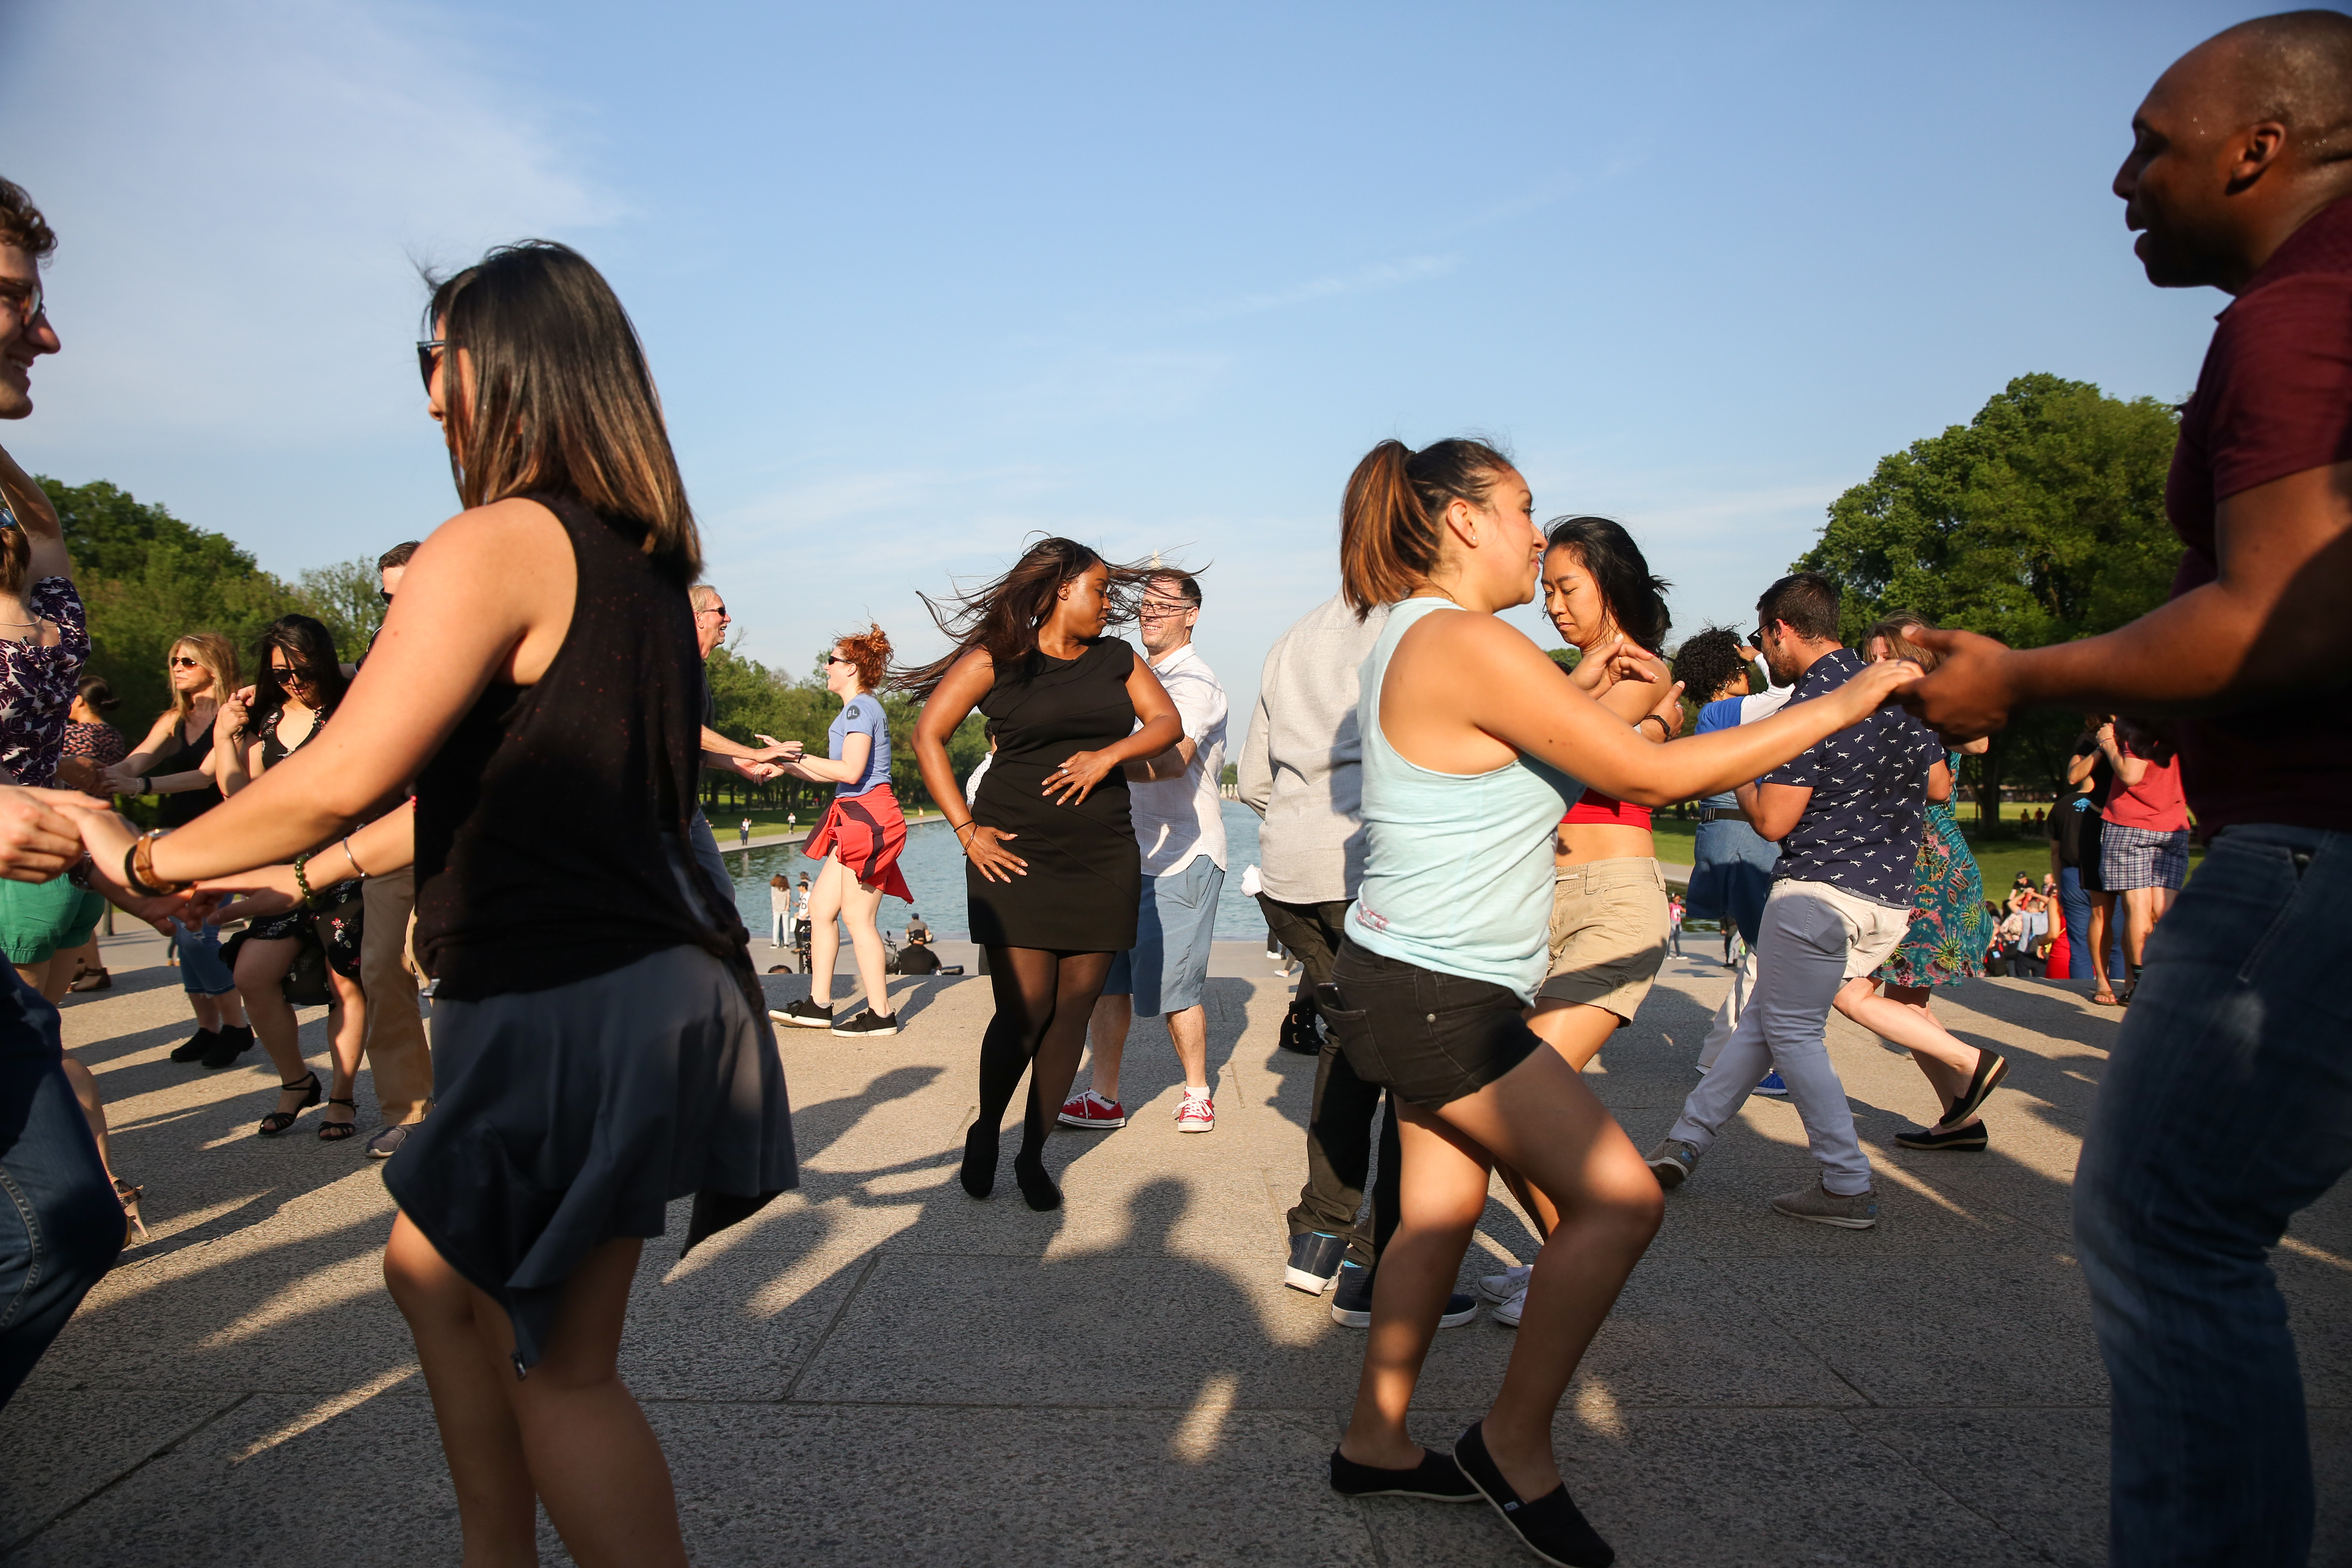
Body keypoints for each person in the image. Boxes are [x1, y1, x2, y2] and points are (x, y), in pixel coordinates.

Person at [82, 240, 795, 1563]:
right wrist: (297, 877)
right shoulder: (636, 569)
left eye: (438, 360)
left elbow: (341, 772)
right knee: (433, 1278)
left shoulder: (501, 542)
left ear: (513, 367)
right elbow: (468, 802)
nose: (426, 398)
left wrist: (136, 859)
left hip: (567, 994)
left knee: (562, 1366)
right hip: (643, 985)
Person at [1899, 18, 2352, 1559]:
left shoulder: (2297, 318)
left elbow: (2280, 618)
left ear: (2259, 147)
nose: (2121, 179)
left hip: (2315, 840)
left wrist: (2022, 676)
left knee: (2166, 1217)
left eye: (2153, 143)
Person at [1314, 439, 1913, 1564]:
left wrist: (1596, 692)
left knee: (1437, 1217)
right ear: (1463, 522)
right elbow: (1650, 777)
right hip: (1440, 995)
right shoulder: (1464, 638)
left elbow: (1505, 765)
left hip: (1406, 979)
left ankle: (1374, 1441)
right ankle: (1511, 1445)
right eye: (1522, 510)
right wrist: (1843, 703)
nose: (1537, 535)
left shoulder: (1413, 632)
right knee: (1622, 1202)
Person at [1647, 573, 1956, 1230]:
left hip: (1819, 890)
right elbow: (1938, 786)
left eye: (1764, 638)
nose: (1764, 652)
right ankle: (1685, 1142)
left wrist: (1749, 768)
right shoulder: (1896, 688)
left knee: (1789, 1029)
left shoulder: (1811, 706)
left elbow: (1773, 821)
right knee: (1766, 1018)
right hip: (1888, 896)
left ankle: (1846, 1181)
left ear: (1781, 629)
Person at [904, 537, 1182, 1212]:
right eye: (1099, 591)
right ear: (1062, 590)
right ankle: (986, 1130)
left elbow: (1166, 723)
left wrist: (1107, 756)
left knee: (1072, 1012)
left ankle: (1032, 1153)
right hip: (1013, 856)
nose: (1109, 605)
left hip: (1101, 858)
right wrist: (966, 831)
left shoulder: (1118, 660)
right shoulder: (997, 659)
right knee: (1025, 1010)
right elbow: (927, 736)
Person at [0, 172, 130, 1405]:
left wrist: (144, 854)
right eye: (12, 298)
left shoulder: (24, 501)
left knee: (70, 1223)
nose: (46, 333)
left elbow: (44, 764)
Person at [1235, 590, 1410, 1313]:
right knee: (1412, 1060)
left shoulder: (1294, 637)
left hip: (1292, 870)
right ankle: (1385, 1254)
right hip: (1368, 863)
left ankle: (1320, 1231)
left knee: (1351, 1039)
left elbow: (1253, 780)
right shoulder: (1411, 626)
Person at [1825, 618, 2007, 1152]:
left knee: (1848, 989)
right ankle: (1960, 1119)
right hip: (1910, 865)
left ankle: (1973, 1062)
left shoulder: (1917, 713)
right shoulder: (1885, 714)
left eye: (1889, 657)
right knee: (1908, 1007)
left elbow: (1965, 755)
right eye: (1871, 658)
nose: (1876, 667)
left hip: (1925, 871)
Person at [1062, 570, 1228, 1136]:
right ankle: (1104, 1096)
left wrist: (1101, 764)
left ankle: (1198, 1092)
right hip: (1125, 855)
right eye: (1146, 604)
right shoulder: (1137, 678)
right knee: (1110, 983)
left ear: (1192, 615)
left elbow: (1173, 761)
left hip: (1183, 853)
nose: (1150, 613)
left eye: (1165, 605)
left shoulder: (1196, 683)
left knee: (1177, 988)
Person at [214, 615, 369, 1142]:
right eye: (281, 673)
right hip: (288, 870)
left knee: (344, 981)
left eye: (303, 669)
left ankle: (343, 1096)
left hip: (347, 863)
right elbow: (242, 801)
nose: (294, 681)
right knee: (252, 975)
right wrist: (225, 737)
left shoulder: (354, 707)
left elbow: (378, 669)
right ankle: (297, 1081)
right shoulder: (271, 719)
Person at [107, 632, 255, 1067]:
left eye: (188, 661)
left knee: (197, 936)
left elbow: (205, 776)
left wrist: (139, 786)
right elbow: (135, 760)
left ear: (215, 665)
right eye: (174, 660)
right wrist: (99, 775)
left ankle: (237, 1026)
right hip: (173, 836)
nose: (177, 667)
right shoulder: (176, 719)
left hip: (218, 836)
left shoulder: (235, 715)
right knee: (182, 931)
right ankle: (208, 1028)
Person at [767, 624, 910, 1038]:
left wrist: (795, 756)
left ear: (851, 668)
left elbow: (850, 770)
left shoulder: (859, 709)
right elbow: (833, 774)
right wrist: (782, 762)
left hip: (868, 817)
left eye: (831, 660)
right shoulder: (857, 710)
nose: (825, 666)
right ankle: (819, 1005)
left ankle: (881, 1014)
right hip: (856, 815)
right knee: (820, 909)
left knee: (857, 918)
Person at [1673, 626, 1793, 1086]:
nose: (1750, 675)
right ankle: (1739, 1062)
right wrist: (1761, 655)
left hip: (1726, 831)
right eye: (1741, 670)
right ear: (1726, 676)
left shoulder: (1717, 715)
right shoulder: (1725, 711)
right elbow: (1788, 694)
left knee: (1766, 951)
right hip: (1744, 835)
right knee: (1771, 951)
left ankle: (1721, 1056)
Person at [352, 539, 434, 1158]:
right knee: (380, 964)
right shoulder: (378, 654)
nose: (397, 606)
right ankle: (409, 1110)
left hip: (463, 833)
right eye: (388, 597)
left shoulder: (482, 644)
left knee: (454, 966)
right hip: (392, 831)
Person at [2095, 717, 2189, 999]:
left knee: (2138, 910)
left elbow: (2131, 775)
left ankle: (2141, 985)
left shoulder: (2139, 728)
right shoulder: (2181, 727)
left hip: (2131, 825)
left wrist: (2108, 744)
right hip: (2173, 824)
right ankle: (2174, 978)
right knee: (2165, 912)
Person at [768, 873, 791, 948]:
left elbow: (773, 899)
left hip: (777, 909)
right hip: (785, 909)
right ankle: (786, 943)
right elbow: (788, 898)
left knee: (776, 926)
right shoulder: (787, 890)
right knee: (786, 926)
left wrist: (773, 908)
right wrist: (788, 906)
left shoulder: (775, 889)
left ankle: (775, 942)